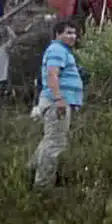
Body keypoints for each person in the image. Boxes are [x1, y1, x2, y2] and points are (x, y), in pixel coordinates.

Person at [30, 21, 83, 190]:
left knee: (49, 141)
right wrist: (59, 99)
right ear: (57, 35)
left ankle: (30, 171)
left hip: (55, 101)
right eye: (68, 33)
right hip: (56, 102)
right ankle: (43, 186)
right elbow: (53, 74)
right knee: (55, 144)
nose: (72, 36)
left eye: (74, 33)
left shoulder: (62, 51)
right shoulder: (57, 50)